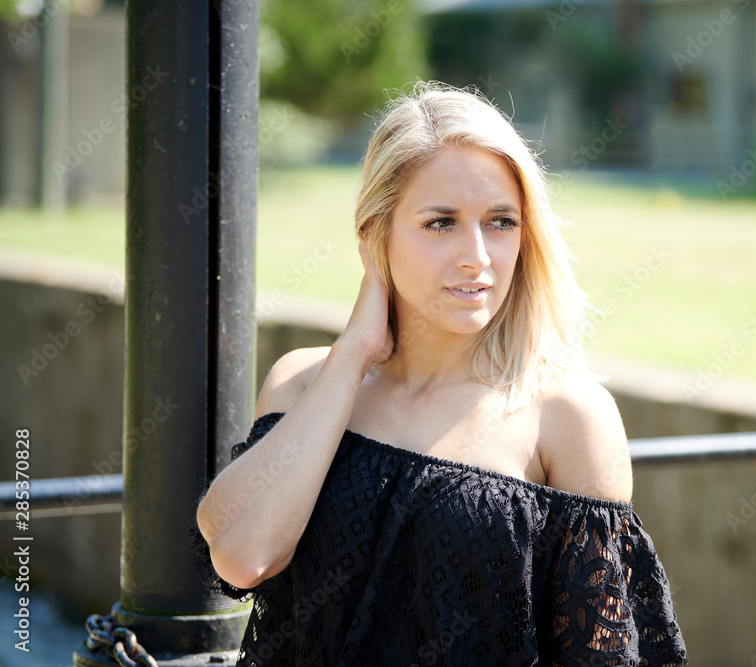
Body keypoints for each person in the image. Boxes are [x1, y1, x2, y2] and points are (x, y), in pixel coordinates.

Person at [192, 81, 687, 666]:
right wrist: (354, 353)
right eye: (440, 223)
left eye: (501, 222)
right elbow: (242, 555)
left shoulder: (566, 415)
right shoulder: (305, 382)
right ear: (376, 235)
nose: (477, 255)